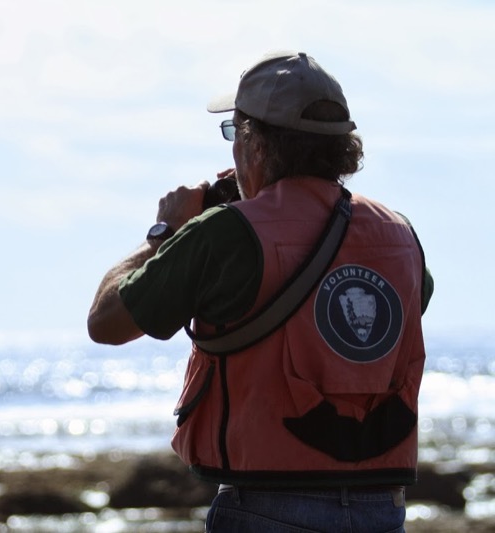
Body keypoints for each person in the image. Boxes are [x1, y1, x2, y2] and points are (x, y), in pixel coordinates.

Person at [88, 51, 433, 532]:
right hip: (382, 506)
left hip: (265, 506)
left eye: (234, 131)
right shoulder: (399, 234)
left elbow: (106, 321)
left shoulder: (225, 234)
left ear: (255, 144)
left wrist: (165, 231)